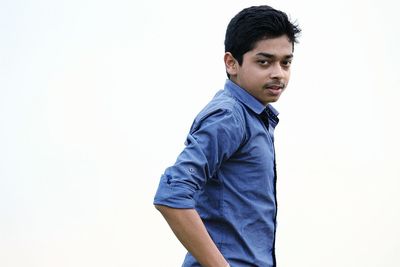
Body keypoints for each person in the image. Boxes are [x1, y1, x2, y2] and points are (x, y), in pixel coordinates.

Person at [153, 5, 301, 267]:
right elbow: (172, 194)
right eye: (264, 62)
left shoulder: (255, 117)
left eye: (286, 62)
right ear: (231, 63)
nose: (278, 72)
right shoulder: (230, 116)